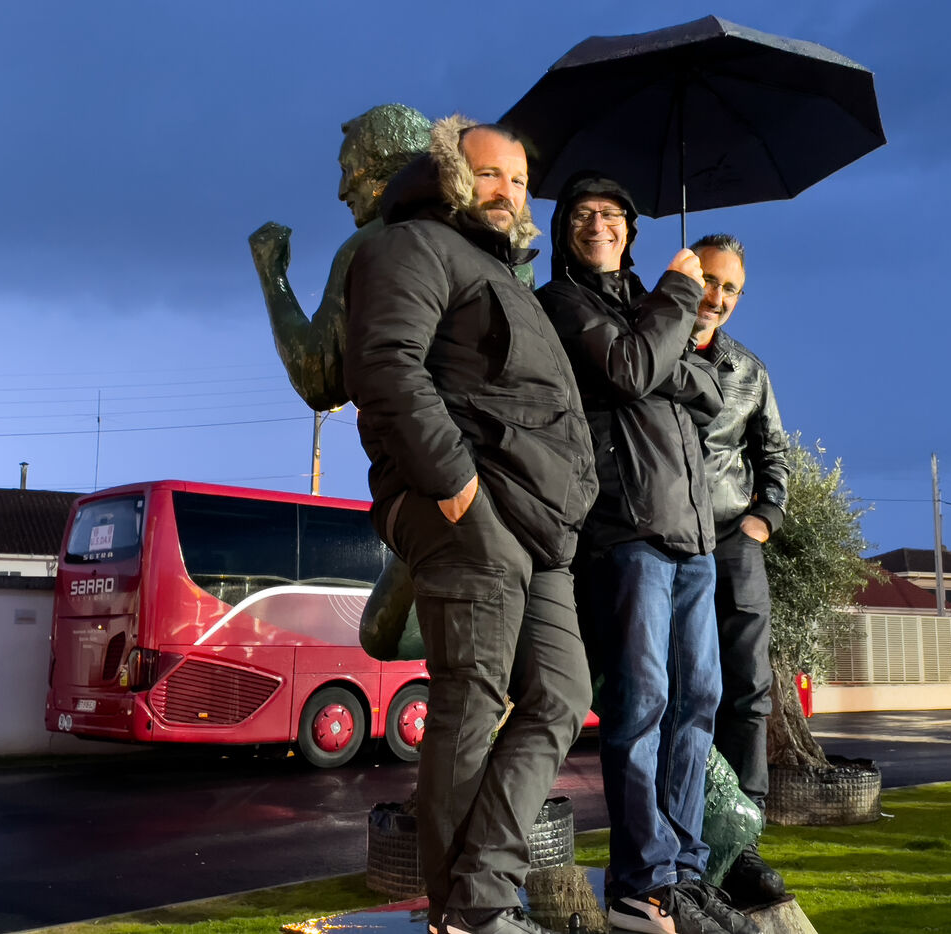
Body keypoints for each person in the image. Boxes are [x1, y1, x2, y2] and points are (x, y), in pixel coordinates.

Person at [343, 117, 597, 934]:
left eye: (519, 181)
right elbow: (385, 367)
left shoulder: (503, 274)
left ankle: (484, 883)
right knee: (471, 698)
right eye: (489, 173)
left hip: (539, 527)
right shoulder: (410, 244)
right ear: (448, 172)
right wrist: (454, 487)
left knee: (562, 694)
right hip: (468, 511)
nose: (507, 192)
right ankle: (470, 913)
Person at [536, 173, 754, 934]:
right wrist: (674, 296)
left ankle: (684, 871)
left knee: (699, 704)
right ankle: (640, 882)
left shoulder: (644, 303)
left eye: (611, 214)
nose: (597, 224)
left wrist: (658, 337)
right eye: (582, 214)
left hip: (693, 534)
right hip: (626, 530)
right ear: (564, 228)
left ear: (630, 228)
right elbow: (631, 370)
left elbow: (708, 389)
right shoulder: (561, 304)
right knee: (643, 706)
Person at [690, 234, 791, 908]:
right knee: (678, 692)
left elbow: (773, 455)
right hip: (663, 542)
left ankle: (743, 845)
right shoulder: (647, 350)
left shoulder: (749, 372)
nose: (717, 297)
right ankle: (680, 841)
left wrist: (764, 519)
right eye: (709, 280)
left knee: (749, 689)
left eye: (730, 288)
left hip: (732, 542)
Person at [248, 103, 432, 411]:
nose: (342, 191)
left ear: (383, 162)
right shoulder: (490, 241)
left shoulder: (372, 245)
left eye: (348, 170)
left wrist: (272, 273)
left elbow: (318, 379)